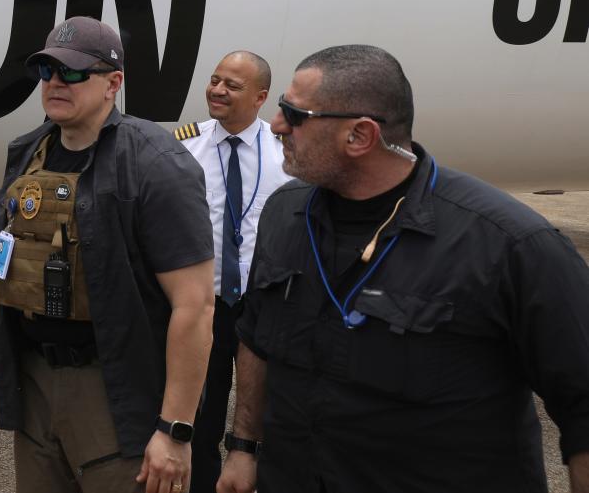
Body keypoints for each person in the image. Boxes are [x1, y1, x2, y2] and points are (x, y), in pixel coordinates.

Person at [217, 44, 589, 493]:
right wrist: (243, 447)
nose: (276, 126)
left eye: (294, 115)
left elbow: (582, 406)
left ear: (359, 136)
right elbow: (257, 338)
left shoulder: (509, 246)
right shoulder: (283, 216)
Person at [0, 16, 215, 493]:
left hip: (114, 390)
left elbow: (195, 305)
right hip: (35, 383)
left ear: (113, 83)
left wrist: (175, 430)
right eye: (47, 70)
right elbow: (0, 269)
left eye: (74, 73)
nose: (56, 82)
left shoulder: (156, 163)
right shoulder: (28, 154)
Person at [172, 51, 288, 493]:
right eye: (215, 80)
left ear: (260, 97)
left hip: (264, 303)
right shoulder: (185, 146)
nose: (217, 91)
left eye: (232, 86)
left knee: (270, 412)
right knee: (200, 414)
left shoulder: (283, 151)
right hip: (208, 303)